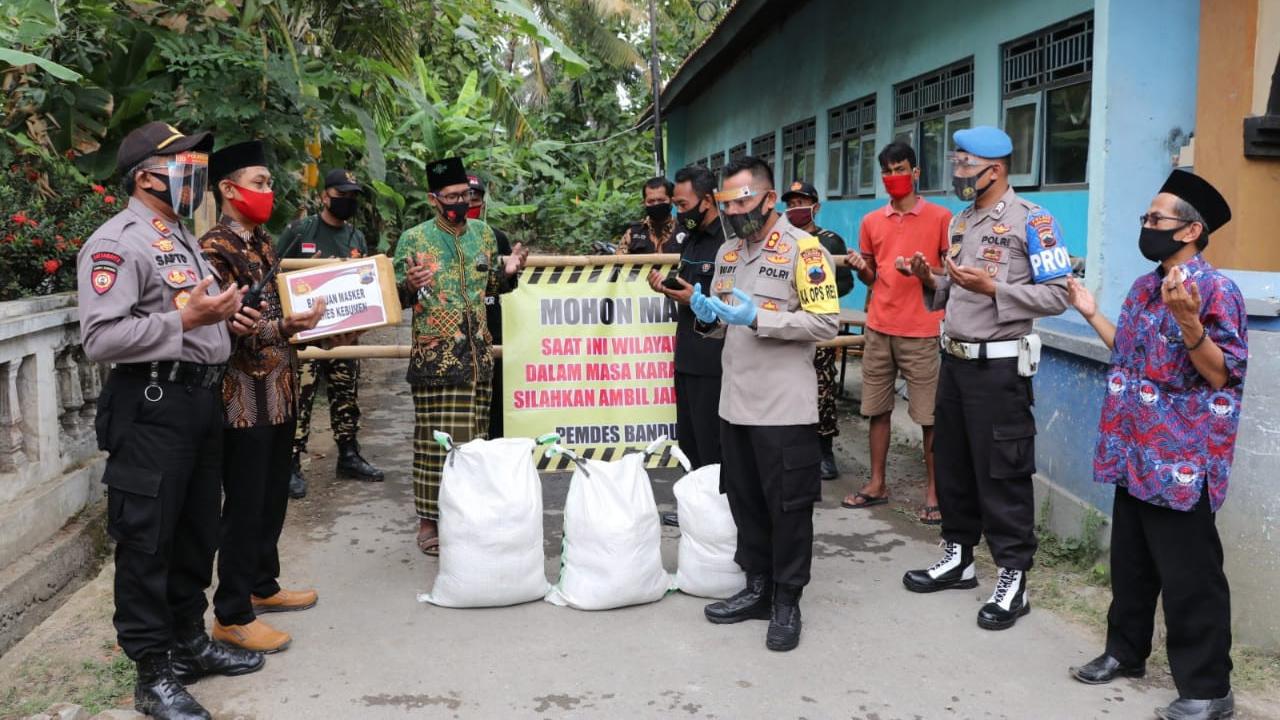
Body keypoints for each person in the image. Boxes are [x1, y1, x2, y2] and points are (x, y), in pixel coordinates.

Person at [78, 121, 265, 720]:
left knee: (195, 532)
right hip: (152, 408)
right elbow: (101, 338)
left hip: (199, 403)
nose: (197, 177)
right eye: (186, 167)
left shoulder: (178, 236)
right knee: (147, 540)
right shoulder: (118, 243)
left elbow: (190, 310)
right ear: (147, 177)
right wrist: (187, 323)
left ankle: (188, 643)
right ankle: (151, 670)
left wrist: (221, 321)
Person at [1067, 170, 1244, 720]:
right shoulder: (1145, 287)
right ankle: (1126, 652)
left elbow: (1222, 374)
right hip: (1134, 450)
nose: (1146, 227)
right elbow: (1130, 354)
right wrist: (1090, 309)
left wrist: (1190, 321)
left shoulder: (1215, 291)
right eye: (1146, 218)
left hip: (1183, 462)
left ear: (1191, 231)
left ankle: (1210, 688)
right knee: (1132, 565)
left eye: (1156, 219)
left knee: (1191, 577)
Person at [900, 126, 1070, 631]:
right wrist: (927, 279)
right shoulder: (962, 220)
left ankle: (1013, 578)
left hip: (998, 368)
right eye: (956, 162)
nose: (957, 172)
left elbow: (1060, 294)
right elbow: (955, 289)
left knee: (1002, 472)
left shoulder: (1033, 222)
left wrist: (996, 287)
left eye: (965, 164)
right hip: (953, 360)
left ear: (994, 169)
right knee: (951, 464)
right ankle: (958, 557)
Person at [695, 156, 840, 652]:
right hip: (734, 403)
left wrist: (762, 318)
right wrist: (706, 317)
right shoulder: (729, 253)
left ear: (769, 198)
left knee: (789, 508)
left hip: (783, 408)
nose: (734, 212)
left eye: (742, 201)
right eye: (726, 204)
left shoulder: (806, 251)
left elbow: (825, 325)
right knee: (746, 501)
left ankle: (787, 601)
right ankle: (756, 587)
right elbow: (721, 323)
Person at [200, 140, 326, 655]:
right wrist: (284, 324)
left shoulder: (262, 243)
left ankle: (263, 584)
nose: (268, 191)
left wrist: (295, 324)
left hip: (278, 391)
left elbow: (270, 316)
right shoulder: (214, 249)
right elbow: (224, 326)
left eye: (270, 182)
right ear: (229, 190)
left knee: (273, 494)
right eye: (259, 182)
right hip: (241, 398)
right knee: (246, 503)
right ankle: (231, 613)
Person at [393, 157, 528, 556]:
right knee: (435, 444)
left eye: (464, 196)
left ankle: (468, 518)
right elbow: (398, 297)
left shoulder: (484, 235)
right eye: (450, 197)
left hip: (478, 356)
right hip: (436, 357)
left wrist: (510, 272)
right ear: (433, 199)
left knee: (475, 444)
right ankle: (429, 522)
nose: (458, 203)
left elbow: (493, 287)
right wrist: (409, 285)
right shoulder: (414, 239)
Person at [842, 142, 951, 524]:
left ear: (916, 172)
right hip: (879, 327)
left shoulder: (941, 218)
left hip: (922, 330)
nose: (893, 177)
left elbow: (951, 277)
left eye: (900, 169)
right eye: (886, 171)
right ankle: (876, 484)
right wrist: (860, 268)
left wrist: (924, 274)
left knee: (929, 416)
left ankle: (935, 494)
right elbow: (873, 276)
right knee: (877, 409)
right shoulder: (872, 221)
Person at [275, 168, 384, 499]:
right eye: (341, 195)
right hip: (305, 334)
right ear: (325, 196)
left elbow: (364, 285)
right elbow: (276, 274)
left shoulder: (356, 238)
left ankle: (348, 455)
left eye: (352, 196)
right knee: (302, 397)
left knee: (345, 394)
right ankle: (290, 463)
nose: (347, 201)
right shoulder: (300, 231)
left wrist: (357, 329)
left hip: (343, 335)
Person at [647, 165, 728, 526]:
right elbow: (689, 287)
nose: (679, 212)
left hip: (716, 360)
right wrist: (667, 288)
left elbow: (728, 303)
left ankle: (716, 515)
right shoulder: (691, 237)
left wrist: (693, 299)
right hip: (687, 356)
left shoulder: (728, 241)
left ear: (708, 200)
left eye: (683, 204)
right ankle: (694, 509)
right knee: (690, 441)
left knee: (714, 444)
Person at [779, 181, 854, 479]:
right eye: (792, 202)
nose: (796, 208)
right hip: (786, 326)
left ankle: (825, 452)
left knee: (822, 389)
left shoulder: (829, 241)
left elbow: (846, 282)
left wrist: (817, 295)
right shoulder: (780, 240)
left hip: (817, 326)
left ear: (816, 206)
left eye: (802, 201)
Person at [467, 173, 518, 440]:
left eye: (474, 199)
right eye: (463, 198)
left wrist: (508, 274)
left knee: (496, 396)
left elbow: (511, 285)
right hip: (458, 333)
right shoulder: (439, 240)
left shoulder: (496, 237)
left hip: (493, 329)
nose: (468, 203)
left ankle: (496, 446)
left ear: (483, 203)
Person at [617, 176, 678, 254]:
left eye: (661, 200)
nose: (656, 204)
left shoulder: (684, 231)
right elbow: (618, 261)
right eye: (651, 201)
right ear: (644, 203)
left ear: (671, 201)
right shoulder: (632, 233)